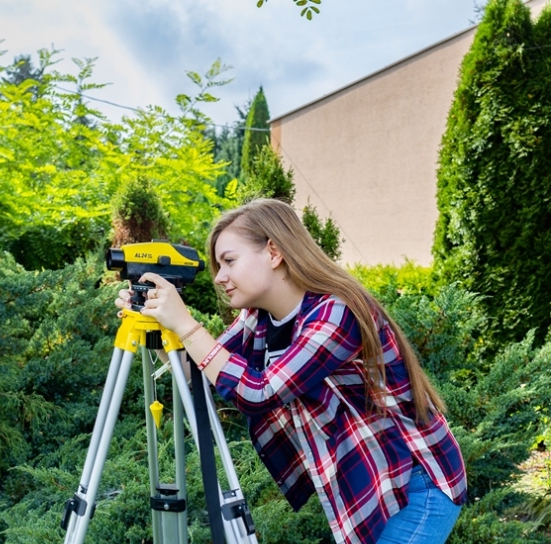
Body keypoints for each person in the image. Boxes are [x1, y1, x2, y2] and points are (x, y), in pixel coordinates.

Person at [115, 198, 467, 544]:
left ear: (274, 252)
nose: (219, 277)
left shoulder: (337, 313)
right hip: (371, 481)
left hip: (417, 484)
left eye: (229, 261)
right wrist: (160, 330)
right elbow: (204, 373)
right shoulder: (258, 318)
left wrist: (185, 323)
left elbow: (259, 392)